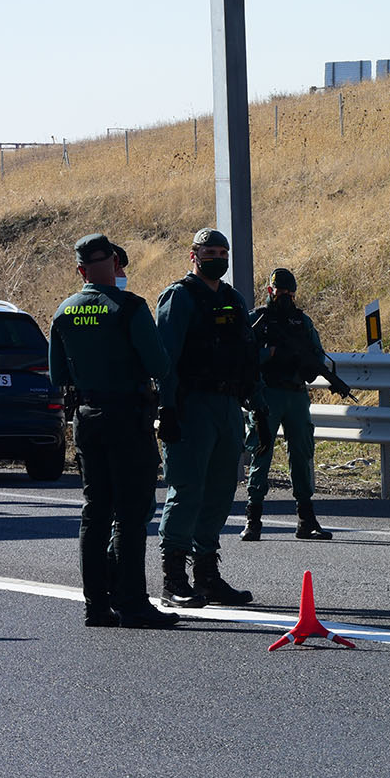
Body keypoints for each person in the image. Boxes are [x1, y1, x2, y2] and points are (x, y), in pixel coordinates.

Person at [48, 234, 179, 628]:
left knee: (95, 511)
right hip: (127, 416)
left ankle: (96, 606)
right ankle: (133, 603)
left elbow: (58, 374)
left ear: (80, 269)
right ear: (115, 263)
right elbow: (160, 365)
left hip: (86, 417)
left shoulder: (65, 311)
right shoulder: (130, 307)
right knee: (131, 512)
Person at [155, 227, 270, 608]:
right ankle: (174, 578)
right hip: (192, 406)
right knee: (187, 489)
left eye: (223, 251)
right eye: (211, 251)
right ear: (194, 255)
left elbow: (248, 356)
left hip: (227, 406)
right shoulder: (180, 297)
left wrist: (259, 404)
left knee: (221, 491)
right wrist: (166, 408)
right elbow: (165, 360)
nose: (218, 257)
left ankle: (206, 575)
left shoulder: (234, 300)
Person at [242, 267, 350, 542]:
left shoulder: (302, 323)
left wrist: (309, 366)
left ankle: (306, 518)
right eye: (281, 292)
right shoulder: (257, 320)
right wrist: (271, 353)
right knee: (262, 452)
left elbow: (316, 354)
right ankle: (253, 518)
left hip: (296, 394)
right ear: (270, 291)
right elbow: (243, 354)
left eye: (290, 293)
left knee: (302, 453)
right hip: (268, 394)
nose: (286, 298)